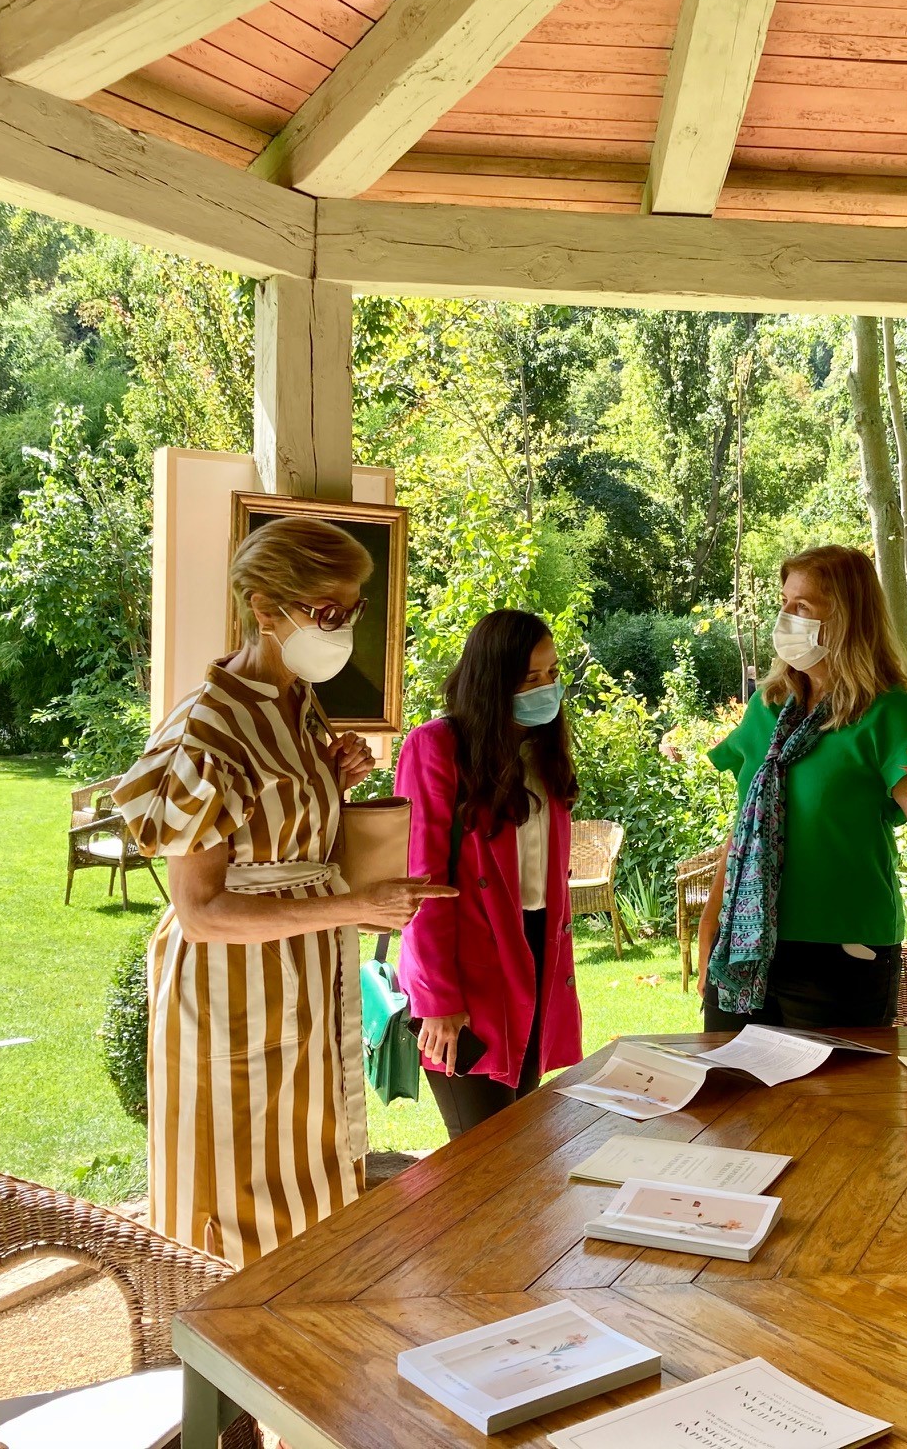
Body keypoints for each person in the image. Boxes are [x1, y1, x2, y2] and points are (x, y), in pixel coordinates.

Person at [114, 516, 451, 1265]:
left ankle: (304, 1349)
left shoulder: (296, 703)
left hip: (299, 986)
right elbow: (199, 910)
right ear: (267, 610)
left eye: (353, 611)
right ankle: (230, 1363)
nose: (344, 629)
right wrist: (358, 909)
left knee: (313, 1179)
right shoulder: (210, 728)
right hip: (232, 998)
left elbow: (268, 834)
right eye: (328, 612)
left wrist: (326, 783)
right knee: (240, 1198)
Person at [698, 544, 907, 1031]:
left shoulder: (888, 714)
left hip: (842, 960)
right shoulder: (769, 707)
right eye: (783, 603)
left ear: (846, 617)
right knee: (732, 1104)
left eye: (802, 607)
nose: (785, 618)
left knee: (835, 1107)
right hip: (742, 948)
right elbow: (745, 827)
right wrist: (712, 921)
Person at [395, 609, 585, 1138]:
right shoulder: (436, 746)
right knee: (485, 1154)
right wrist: (437, 1001)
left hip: (536, 954)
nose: (548, 688)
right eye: (530, 679)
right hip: (467, 969)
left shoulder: (543, 749)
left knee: (524, 1144)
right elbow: (422, 884)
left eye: (552, 674)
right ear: (493, 681)